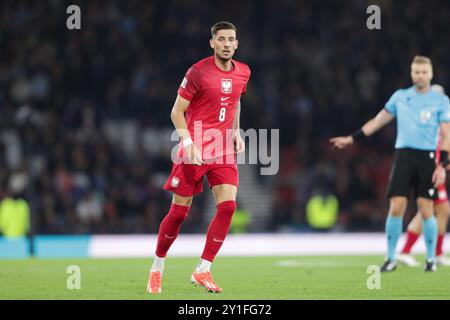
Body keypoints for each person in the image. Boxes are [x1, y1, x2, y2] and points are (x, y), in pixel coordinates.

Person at [147, 21, 251, 294]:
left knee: (228, 207)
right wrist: (188, 141)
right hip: (195, 148)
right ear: (212, 43)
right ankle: (157, 268)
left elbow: (236, 100)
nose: (227, 44)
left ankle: (203, 270)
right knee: (179, 213)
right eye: (222, 39)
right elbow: (176, 112)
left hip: (223, 149)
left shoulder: (243, 72)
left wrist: (236, 131)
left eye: (231, 39)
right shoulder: (197, 72)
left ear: (237, 43)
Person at [330, 56, 450, 272]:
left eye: (423, 72)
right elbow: (378, 120)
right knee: (396, 207)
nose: (420, 75)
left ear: (430, 74)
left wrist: (442, 165)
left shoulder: (441, 101)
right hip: (403, 155)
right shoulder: (400, 97)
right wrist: (352, 138)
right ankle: (391, 258)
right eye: (416, 72)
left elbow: (446, 136)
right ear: (411, 73)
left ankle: (431, 259)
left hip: (428, 158)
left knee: (426, 209)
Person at [397, 85, 450, 267]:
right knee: (428, 211)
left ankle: (436, 253)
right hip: (429, 170)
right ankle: (406, 251)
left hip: (433, 169)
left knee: (441, 210)